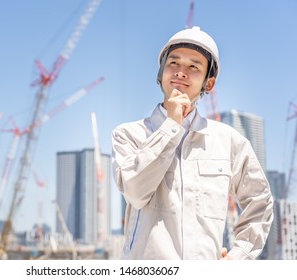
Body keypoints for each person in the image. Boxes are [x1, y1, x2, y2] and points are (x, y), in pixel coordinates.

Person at [111, 26, 274, 260]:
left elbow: (260, 203)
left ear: (209, 84)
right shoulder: (129, 134)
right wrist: (172, 126)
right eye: (173, 63)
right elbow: (136, 193)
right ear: (160, 72)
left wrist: (239, 257)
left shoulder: (229, 141)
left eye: (194, 66)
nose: (181, 72)